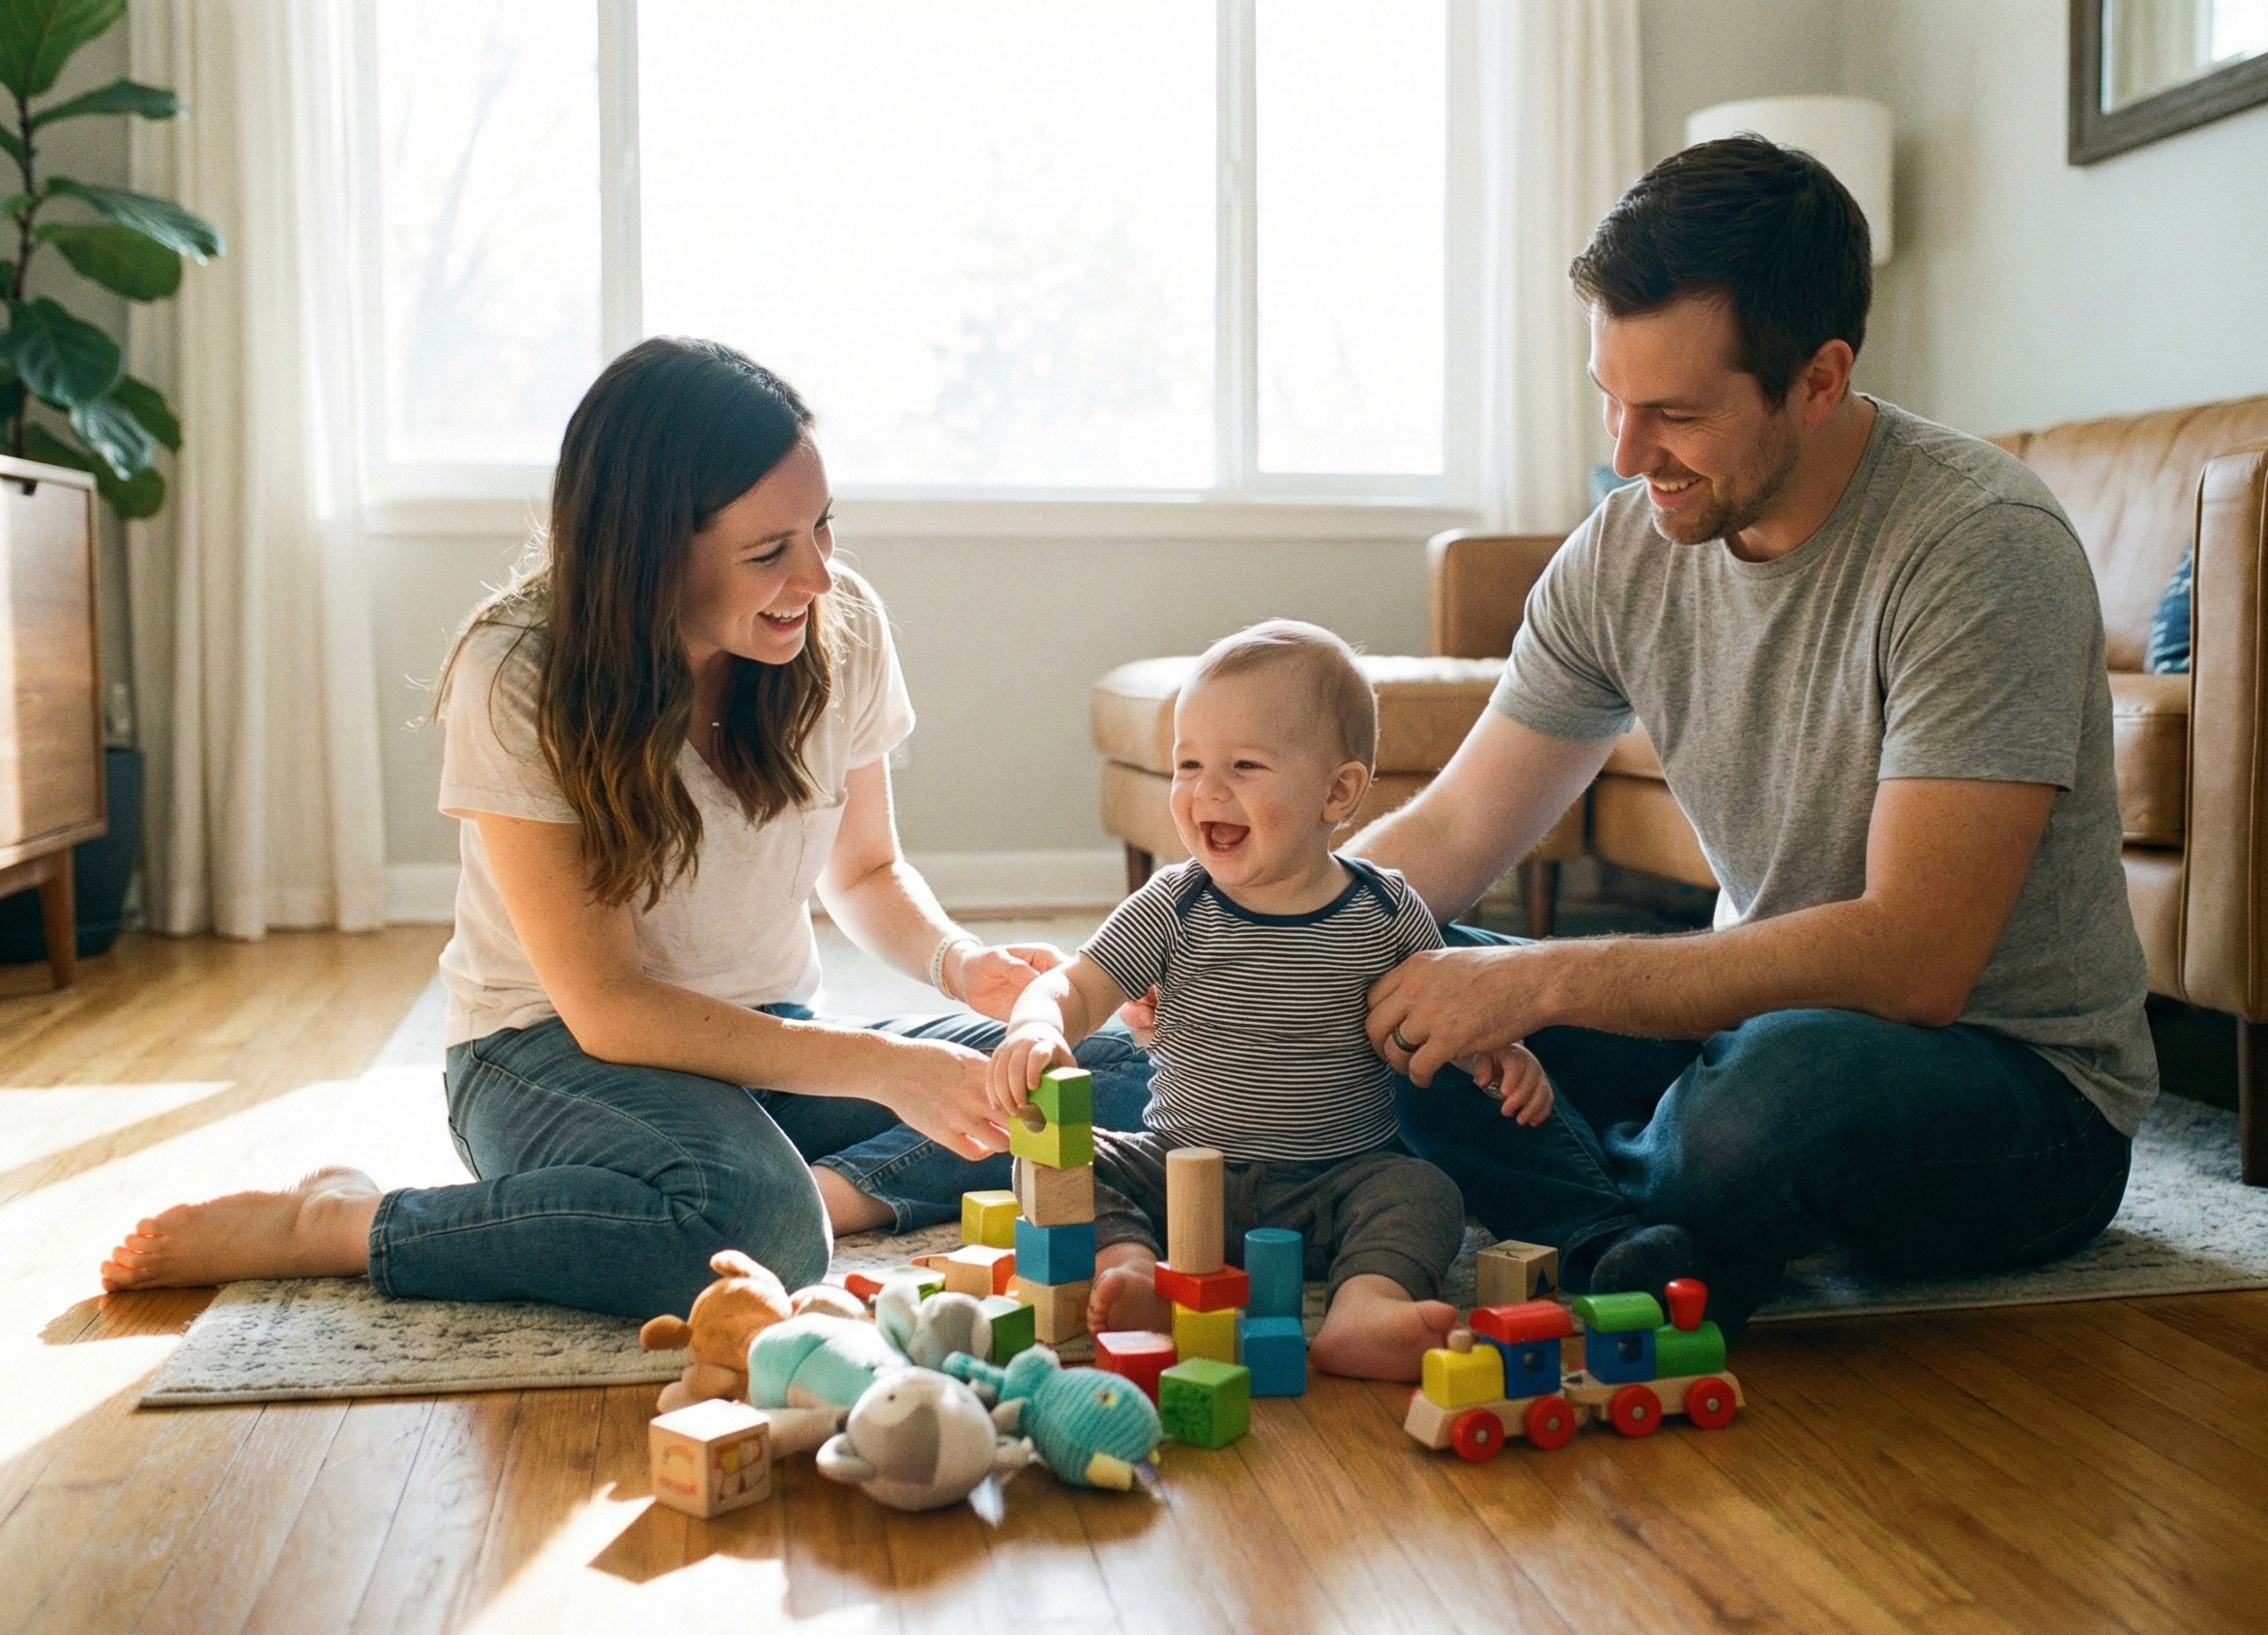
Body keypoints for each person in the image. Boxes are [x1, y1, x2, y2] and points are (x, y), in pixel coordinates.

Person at [99, 337, 1150, 1317]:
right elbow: (606, 1007)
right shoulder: (519, 671)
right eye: (769, 549)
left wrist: (968, 969)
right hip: (545, 1055)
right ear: (652, 549)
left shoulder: (840, 626)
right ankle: (336, 1222)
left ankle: (832, 1196)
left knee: (1144, 1067)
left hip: (763, 1047)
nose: (819, 575)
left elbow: (867, 870)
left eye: (824, 524)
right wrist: (881, 1067)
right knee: (761, 1227)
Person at [1352, 136, 2150, 1335]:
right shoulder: (1624, 553)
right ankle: (1633, 1230)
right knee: (1389, 981)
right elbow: (1462, 824)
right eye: (1611, 399)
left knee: (1758, 1111)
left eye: (1674, 413)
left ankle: (1596, 1177)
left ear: (1818, 381)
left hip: (2008, 1085)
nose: (1626, 457)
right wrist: (1264, 928)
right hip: (1742, 1027)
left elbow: (1915, 957)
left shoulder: (1981, 544)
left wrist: (1541, 980)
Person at [991, 621, 1553, 1381]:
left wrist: (1500, 1051)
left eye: (1244, 765)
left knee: (1425, 1192)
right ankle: (1138, 1272)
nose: (1205, 790)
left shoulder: (1385, 910)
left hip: (1338, 1178)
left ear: (1338, 791)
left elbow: (1444, 1007)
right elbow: (1081, 984)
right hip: (1179, 1168)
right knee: (1065, 1163)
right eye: (1188, 764)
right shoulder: (1174, 903)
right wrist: (1035, 1017)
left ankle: (1364, 1308)